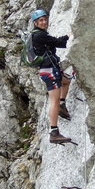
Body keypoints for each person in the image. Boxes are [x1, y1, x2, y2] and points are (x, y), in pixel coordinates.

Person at [30, 9, 73, 144]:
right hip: (49, 70)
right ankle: (54, 132)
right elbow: (58, 42)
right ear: (35, 23)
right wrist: (70, 35)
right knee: (53, 101)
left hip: (49, 70)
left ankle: (62, 105)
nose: (44, 22)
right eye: (41, 20)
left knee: (66, 81)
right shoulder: (39, 36)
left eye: (45, 19)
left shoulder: (38, 35)